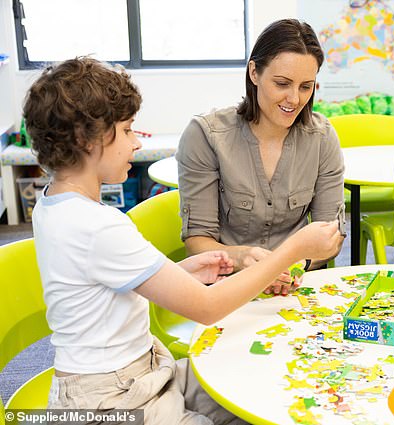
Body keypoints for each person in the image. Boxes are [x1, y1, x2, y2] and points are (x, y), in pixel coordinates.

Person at [25, 57, 341, 423]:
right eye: (128, 131)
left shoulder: (54, 203)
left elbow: (100, 288)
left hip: (137, 375)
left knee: (252, 378)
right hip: (110, 400)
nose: (136, 145)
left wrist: (181, 273)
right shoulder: (97, 226)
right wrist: (292, 250)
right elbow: (206, 309)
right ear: (87, 139)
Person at [176, 19, 345, 295]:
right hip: (225, 289)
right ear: (254, 72)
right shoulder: (206, 135)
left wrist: (292, 266)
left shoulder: (323, 138)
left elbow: (332, 237)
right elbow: (198, 242)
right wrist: (243, 258)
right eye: (282, 83)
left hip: (297, 286)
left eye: (306, 87)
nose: (294, 99)